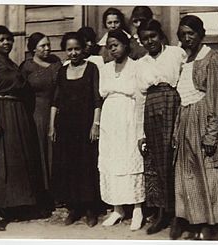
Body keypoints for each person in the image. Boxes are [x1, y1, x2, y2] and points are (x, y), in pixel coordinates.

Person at [170, 15, 218, 240]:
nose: (187, 38)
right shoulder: (185, 59)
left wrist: (211, 134)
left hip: (205, 121)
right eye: (183, 34)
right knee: (190, 177)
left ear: (200, 34)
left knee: (210, 176)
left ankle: (209, 227)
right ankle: (195, 222)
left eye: (191, 33)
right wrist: (178, 129)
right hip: (186, 120)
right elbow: (183, 97)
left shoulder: (211, 58)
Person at [0, 25, 46, 231]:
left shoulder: (13, 65)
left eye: (9, 39)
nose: (7, 43)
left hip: (17, 116)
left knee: (14, 164)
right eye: (2, 39)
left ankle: (12, 207)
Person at [136, 19, 187, 235]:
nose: (150, 41)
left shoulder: (176, 54)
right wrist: (140, 133)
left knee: (174, 161)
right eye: (145, 38)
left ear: (161, 35)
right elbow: (140, 98)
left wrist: (183, 117)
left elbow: (185, 84)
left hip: (173, 105)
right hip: (151, 109)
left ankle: (178, 215)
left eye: (153, 36)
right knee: (155, 163)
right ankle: (160, 213)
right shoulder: (141, 63)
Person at [49, 32, 102, 227]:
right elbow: (56, 100)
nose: (73, 53)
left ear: (84, 49)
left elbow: (97, 99)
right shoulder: (62, 72)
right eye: (69, 49)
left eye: (77, 49)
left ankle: (90, 209)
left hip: (85, 125)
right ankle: (74, 208)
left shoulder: (92, 68)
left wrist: (95, 125)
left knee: (87, 165)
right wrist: (51, 126)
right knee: (69, 166)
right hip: (66, 127)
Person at [98, 29, 145, 231]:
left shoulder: (136, 67)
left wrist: (140, 126)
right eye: (110, 46)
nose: (113, 49)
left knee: (130, 159)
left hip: (129, 115)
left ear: (126, 45)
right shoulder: (105, 68)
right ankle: (117, 209)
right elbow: (102, 94)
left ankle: (137, 209)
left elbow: (140, 96)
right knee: (112, 161)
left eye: (116, 45)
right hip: (110, 118)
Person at [20, 32, 62, 191]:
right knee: (39, 150)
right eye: (42, 46)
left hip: (56, 111)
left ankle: (57, 190)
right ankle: (41, 191)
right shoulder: (27, 66)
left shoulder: (56, 63)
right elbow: (20, 90)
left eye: (48, 45)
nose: (47, 48)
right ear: (33, 49)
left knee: (55, 150)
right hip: (35, 113)